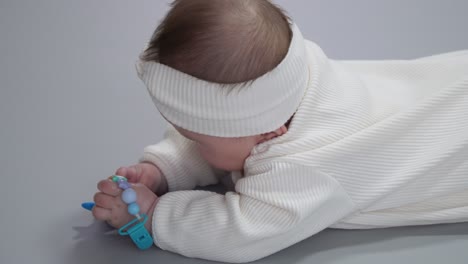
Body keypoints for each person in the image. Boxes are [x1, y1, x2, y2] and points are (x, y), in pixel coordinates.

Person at [92, 0, 468, 262]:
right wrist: (165, 168)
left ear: (266, 132)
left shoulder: (306, 167)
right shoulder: (287, 82)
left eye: (194, 139)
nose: (184, 141)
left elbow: (244, 230)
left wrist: (157, 214)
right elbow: (225, 140)